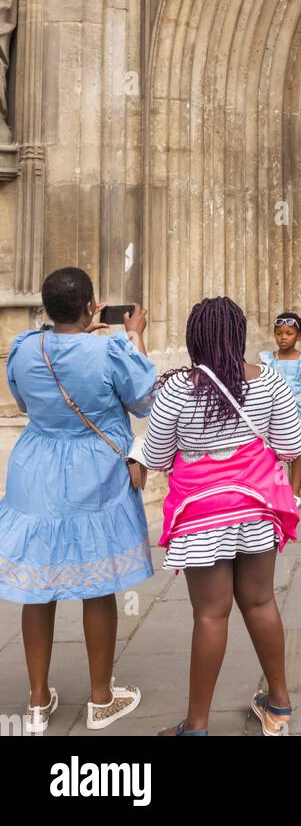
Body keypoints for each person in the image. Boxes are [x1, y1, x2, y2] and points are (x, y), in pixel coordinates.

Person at [135, 296, 301, 737]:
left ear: (196, 338)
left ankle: (196, 726)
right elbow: (290, 447)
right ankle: (279, 704)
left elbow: (154, 455)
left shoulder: (176, 389)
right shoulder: (268, 382)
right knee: (261, 601)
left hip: (201, 513)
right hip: (256, 508)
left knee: (211, 614)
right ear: (239, 334)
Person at [0, 267, 155, 733]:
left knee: (37, 586)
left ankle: (36, 701)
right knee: (98, 581)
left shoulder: (25, 347)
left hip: (36, 467)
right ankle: (101, 698)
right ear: (91, 307)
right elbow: (146, 400)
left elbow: (25, 404)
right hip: (95, 470)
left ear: (47, 308)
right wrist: (134, 335)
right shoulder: (109, 348)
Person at [259, 311, 301, 506]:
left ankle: (295, 493)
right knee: (273, 453)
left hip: (297, 411)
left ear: (299, 336)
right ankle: (276, 490)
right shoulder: (268, 359)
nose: (283, 338)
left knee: (296, 452)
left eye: (289, 333)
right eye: (279, 333)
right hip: (274, 411)